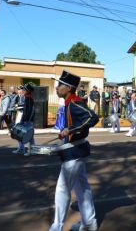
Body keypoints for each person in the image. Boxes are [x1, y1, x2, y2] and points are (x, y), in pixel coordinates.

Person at [49, 70, 98, 231]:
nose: (56, 88)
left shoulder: (75, 102)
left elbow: (93, 117)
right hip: (76, 150)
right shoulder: (70, 102)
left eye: (60, 85)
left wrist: (70, 130)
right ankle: (89, 223)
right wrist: (66, 130)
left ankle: (57, 227)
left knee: (62, 189)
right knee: (82, 187)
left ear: (69, 88)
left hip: (74, 152)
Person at [12, 84, 36, 156]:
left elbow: (29, 111)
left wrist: (25, 120)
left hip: (27, 120)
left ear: (27, 91)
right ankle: (25, 149)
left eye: (24, 89)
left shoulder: (29, 98)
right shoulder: (27, 97)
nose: (23, 90)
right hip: (26, 119)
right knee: (26, 135)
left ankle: (29, 150)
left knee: (25, 135)